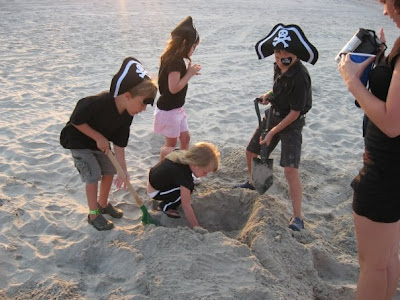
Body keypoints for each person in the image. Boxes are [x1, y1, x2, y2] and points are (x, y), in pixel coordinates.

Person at [338, 0, 400, 298]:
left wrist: (352, 81)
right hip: (393, 169)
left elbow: (391, 122)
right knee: (386, 259)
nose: (385, 11)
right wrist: (384, 60)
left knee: (373, 265)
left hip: (385, 170)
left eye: (387, 3)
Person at [235, 24, 319, 231]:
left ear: (296, 54)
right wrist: (268, 96)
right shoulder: (279, 67)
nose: (281, 57)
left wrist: (272, 132)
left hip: (292, 124)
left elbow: (295, 112)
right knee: (252, 151)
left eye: (286, 54)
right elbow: (277, 89)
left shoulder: (300, 76)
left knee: (290, 169)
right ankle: (258, 184)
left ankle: (298, 217)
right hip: (274, 114)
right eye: (277, 53)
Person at [60, 57, 157, 231]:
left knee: (110, 170)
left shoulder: (127, 114)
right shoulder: (100, 103)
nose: (143, 109)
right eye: (143, 104)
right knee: (93, 175)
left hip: (100, 144)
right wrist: (97, 136)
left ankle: (103, 204)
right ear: (127, 96)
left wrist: (124, 170)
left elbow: (120, 144)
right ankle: (93, 214)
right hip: (79, 140)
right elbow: (76, 120)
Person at [153, 16, 201, 162]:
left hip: (176, 108)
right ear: (186, 43)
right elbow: (173, 88)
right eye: (193, 47)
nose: (193, 51)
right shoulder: (175, 61)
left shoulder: (172, 57)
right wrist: (189, 74)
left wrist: (186, 73)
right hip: (169, 109)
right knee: (171, 146)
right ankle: (163, 170)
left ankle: (183, 167)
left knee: (185, 138)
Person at [147, 142, 220, 228]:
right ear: (195, 165)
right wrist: (196, 226)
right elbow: (186, 205)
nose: (205, 175)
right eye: (205, 172)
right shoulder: (184, 177)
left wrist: (162, 165)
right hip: (155, 191)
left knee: (187, 185)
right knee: (188, 190)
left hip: (152, 179)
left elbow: (165, 150)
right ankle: (165, 206)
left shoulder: (182, 154)